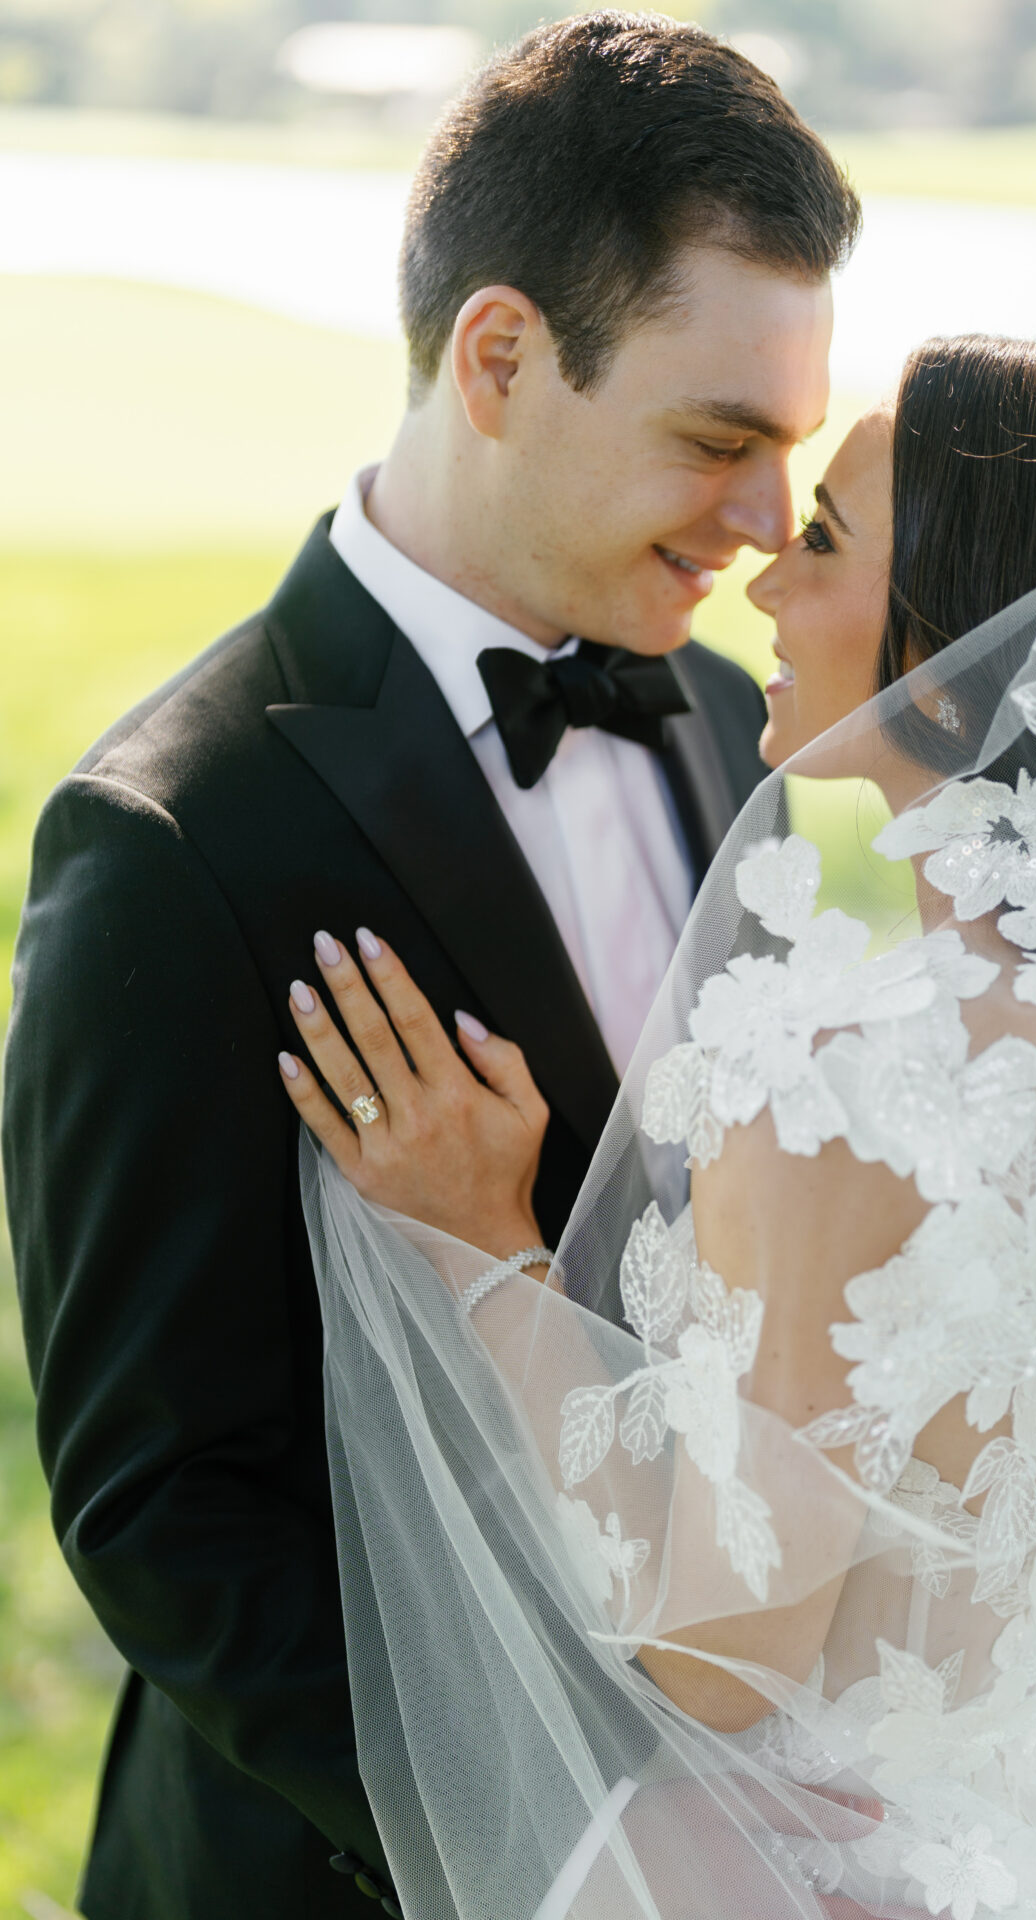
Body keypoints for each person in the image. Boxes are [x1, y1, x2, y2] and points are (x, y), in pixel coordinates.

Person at [282, 337, 1036, 1919]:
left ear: (964, 651)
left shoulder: (852, 1075)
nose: (763, 584)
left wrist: (489, 1254)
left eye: (822, 541)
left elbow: (721, 1659)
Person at [1, 16, 859, 1919]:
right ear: (497, 358)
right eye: (716, 438)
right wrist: (566, 1847)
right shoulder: (170, 838)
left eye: (789, 450)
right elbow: (162, 1508)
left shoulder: (731, 728)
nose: (756, 519)